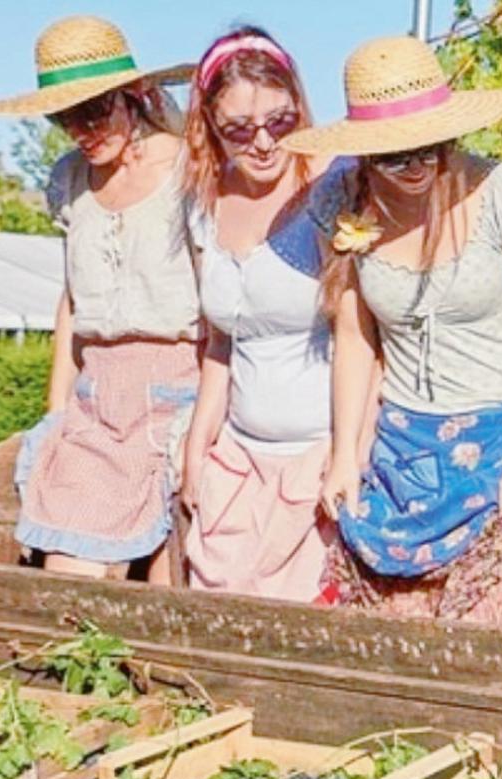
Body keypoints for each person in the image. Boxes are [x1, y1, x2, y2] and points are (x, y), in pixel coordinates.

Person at [281, 36, 502, 623]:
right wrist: (344, 456)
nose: (416, 166)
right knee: (386, 644)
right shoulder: (341, 199)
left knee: (478, 628)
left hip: (501, 442)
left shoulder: (501, 193)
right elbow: (356, 337)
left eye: (432, 148)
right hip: (401, 448)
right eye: (394, 155)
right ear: (364, 153)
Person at [0, 16, 200, 583]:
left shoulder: (191, 171)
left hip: (179, 394)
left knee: (170, 582)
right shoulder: (71, 181)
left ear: (137, 95)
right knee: (68, 580)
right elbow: (73, 302)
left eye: (95, 110)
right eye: (64, 116)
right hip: (96, 404)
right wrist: (57, 412)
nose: (81, 128)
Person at [179, 27, 338, 602]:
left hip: (316, 456)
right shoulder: (203, 203)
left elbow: (367, 339)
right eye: (240, 132)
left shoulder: (332, 188)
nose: (265, 143)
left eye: (280, 122)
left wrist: (344, 454)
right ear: (211, 131)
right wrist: (198, 449)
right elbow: (223, 342)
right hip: (240, 457)